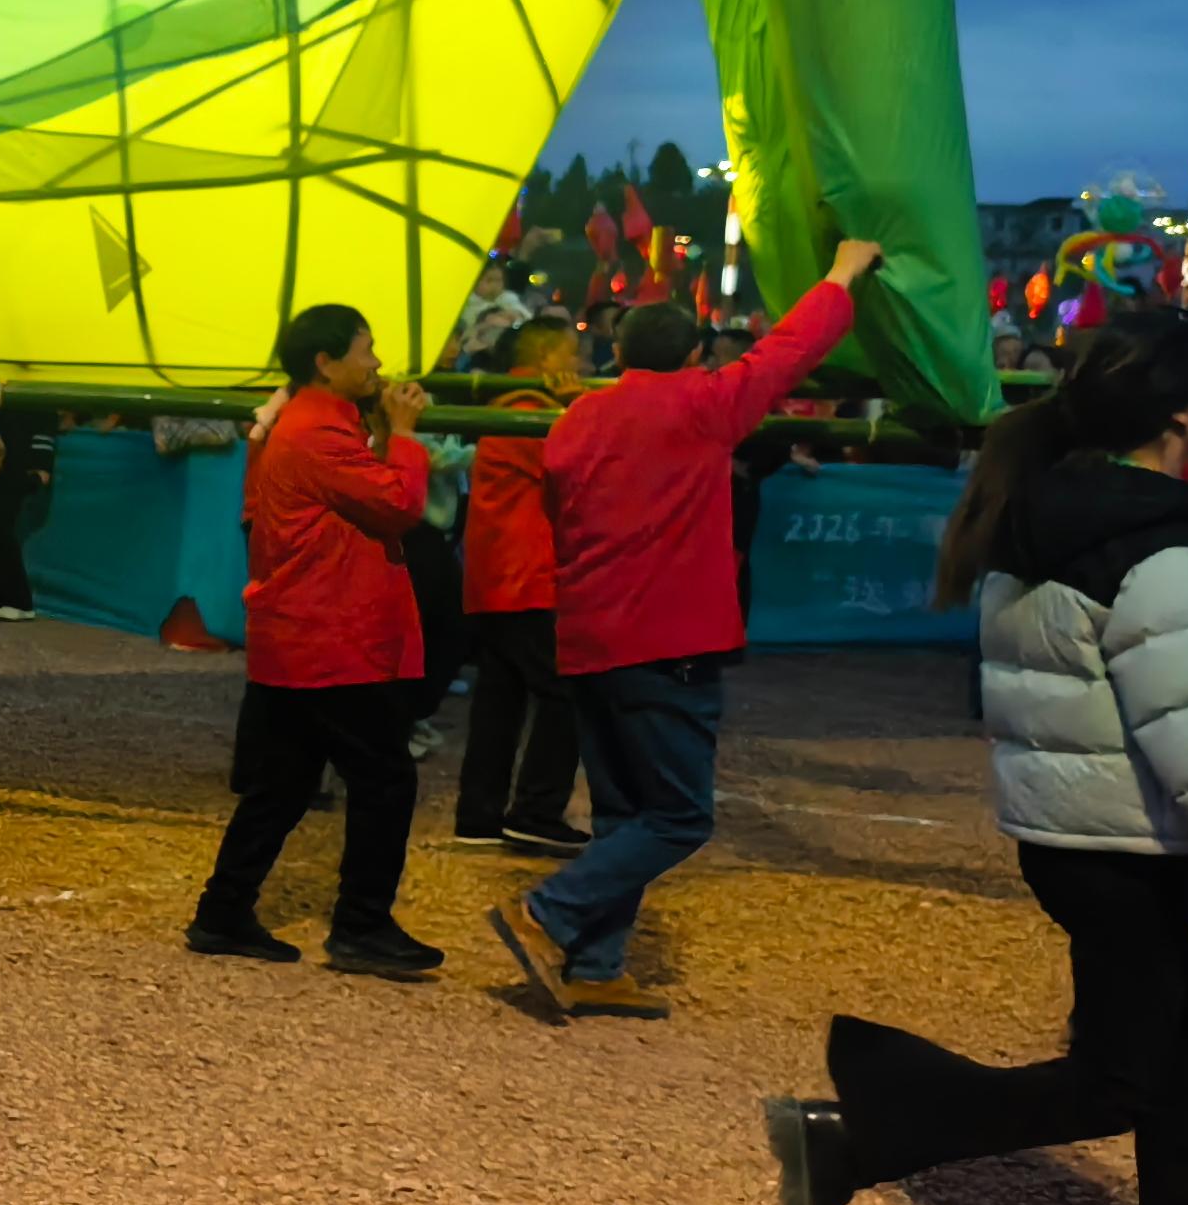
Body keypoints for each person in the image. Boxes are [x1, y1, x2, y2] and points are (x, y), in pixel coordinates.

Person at [760, 309, 1188, 1205]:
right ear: (1177, 412)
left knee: (1183, 1072)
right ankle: (853, 1134)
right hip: (1126, 849)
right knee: (1127, 1079)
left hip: (1080, 836)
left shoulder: (1050, 512)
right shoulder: (1168, 547)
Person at [489, 242, 875, 1021]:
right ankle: (551, 911)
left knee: (621, 812)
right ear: (695, 355)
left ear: (617, 352)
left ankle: (596, 966)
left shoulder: (577, 418)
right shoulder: (705, 405)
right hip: (668, 642)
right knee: (678, 816)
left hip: (589, 634)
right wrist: (839, 275)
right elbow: (788, 351)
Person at [187, 303, 443, 977]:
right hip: (333, 636)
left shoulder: (304, 423)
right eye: (367, 349)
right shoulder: (318, 432)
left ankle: (223, 911)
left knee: (282, 786)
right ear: (326, 362)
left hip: (298, 635)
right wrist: (405, 435)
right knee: (384, 781)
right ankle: (362, 925)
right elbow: (398, 503)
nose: (377, 363)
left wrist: (383, 432)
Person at [451, 320, 585, 853]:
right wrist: (577, 408)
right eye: (573, 353)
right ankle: (536, 809)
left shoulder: (504, 407)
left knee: (499, 698)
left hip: (496, 576)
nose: (581, 365)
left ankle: (479, 815)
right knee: (567, 691)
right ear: (549, 357)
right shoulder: (533, 413)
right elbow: (580, 470)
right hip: (527, 575)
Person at [0, 411, 57, 619]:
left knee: (5, 532)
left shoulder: (36, 402)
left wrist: (41, 468)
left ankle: (20, 603)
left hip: (19, 470)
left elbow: (45, 424)